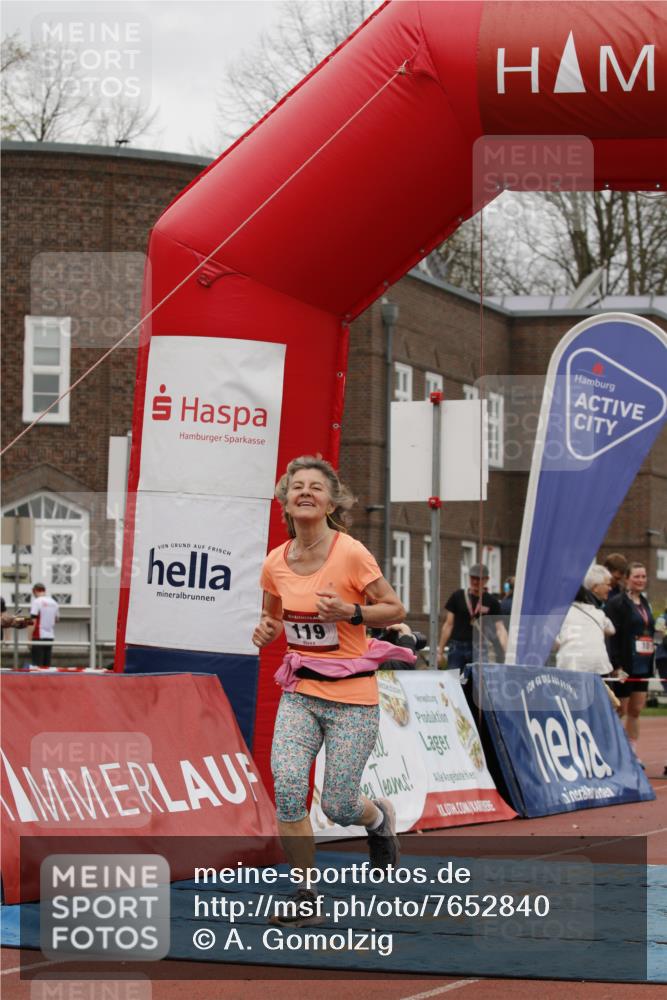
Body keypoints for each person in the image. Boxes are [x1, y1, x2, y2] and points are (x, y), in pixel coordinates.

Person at [252, 456, 414, 926]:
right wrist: (266, 630)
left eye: (316, 487)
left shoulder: (351, 553)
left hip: (352, 697)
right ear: (284, 499)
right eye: (296, 486)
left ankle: (378, 818)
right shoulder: (274, 563)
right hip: (300, 692)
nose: (305, 492)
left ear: (330, 502)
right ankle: (306, 893)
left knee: (339, 805)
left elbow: (394, 607)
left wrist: (352, 613)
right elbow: (273, 618)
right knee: (286, 786)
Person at [606, 562, 655, 764]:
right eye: (636, 576)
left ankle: (632, 752)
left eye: (643, 576)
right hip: (624, 666)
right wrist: (617, 665)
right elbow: (612, 637)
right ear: (627, 579)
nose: (641, 580)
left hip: (642, 664)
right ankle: (612, 750)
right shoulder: (617, 603)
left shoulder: (645, 602)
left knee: (636, 709)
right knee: (620, 709)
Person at [436, 564, 507, 673]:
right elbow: (448, 624)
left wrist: (507, 652)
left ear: (486, 580)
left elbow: (500, 628)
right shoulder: (457, 596)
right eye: (472, 578)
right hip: (457, 646)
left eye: (478, 579)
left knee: (479, 683)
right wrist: (440, 651)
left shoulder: (492, 601)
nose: (475, 582)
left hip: (480, 648)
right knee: (453, 680)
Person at [555, 581, 615, 674]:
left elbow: (554, 641)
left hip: (571, 663)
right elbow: (611, 630)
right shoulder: (596, 611)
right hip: (598, 663)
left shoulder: (559, 612)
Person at [29, 583, 59, 668]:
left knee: (37, 665)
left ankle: (37, 681)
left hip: (38, 635)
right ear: (44, 590)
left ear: (34, 591)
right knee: (47, 665)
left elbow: (32, 621)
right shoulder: (54, 602)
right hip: (50, 636)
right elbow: (57, 619)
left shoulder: (36, 602)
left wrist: (29, 639)